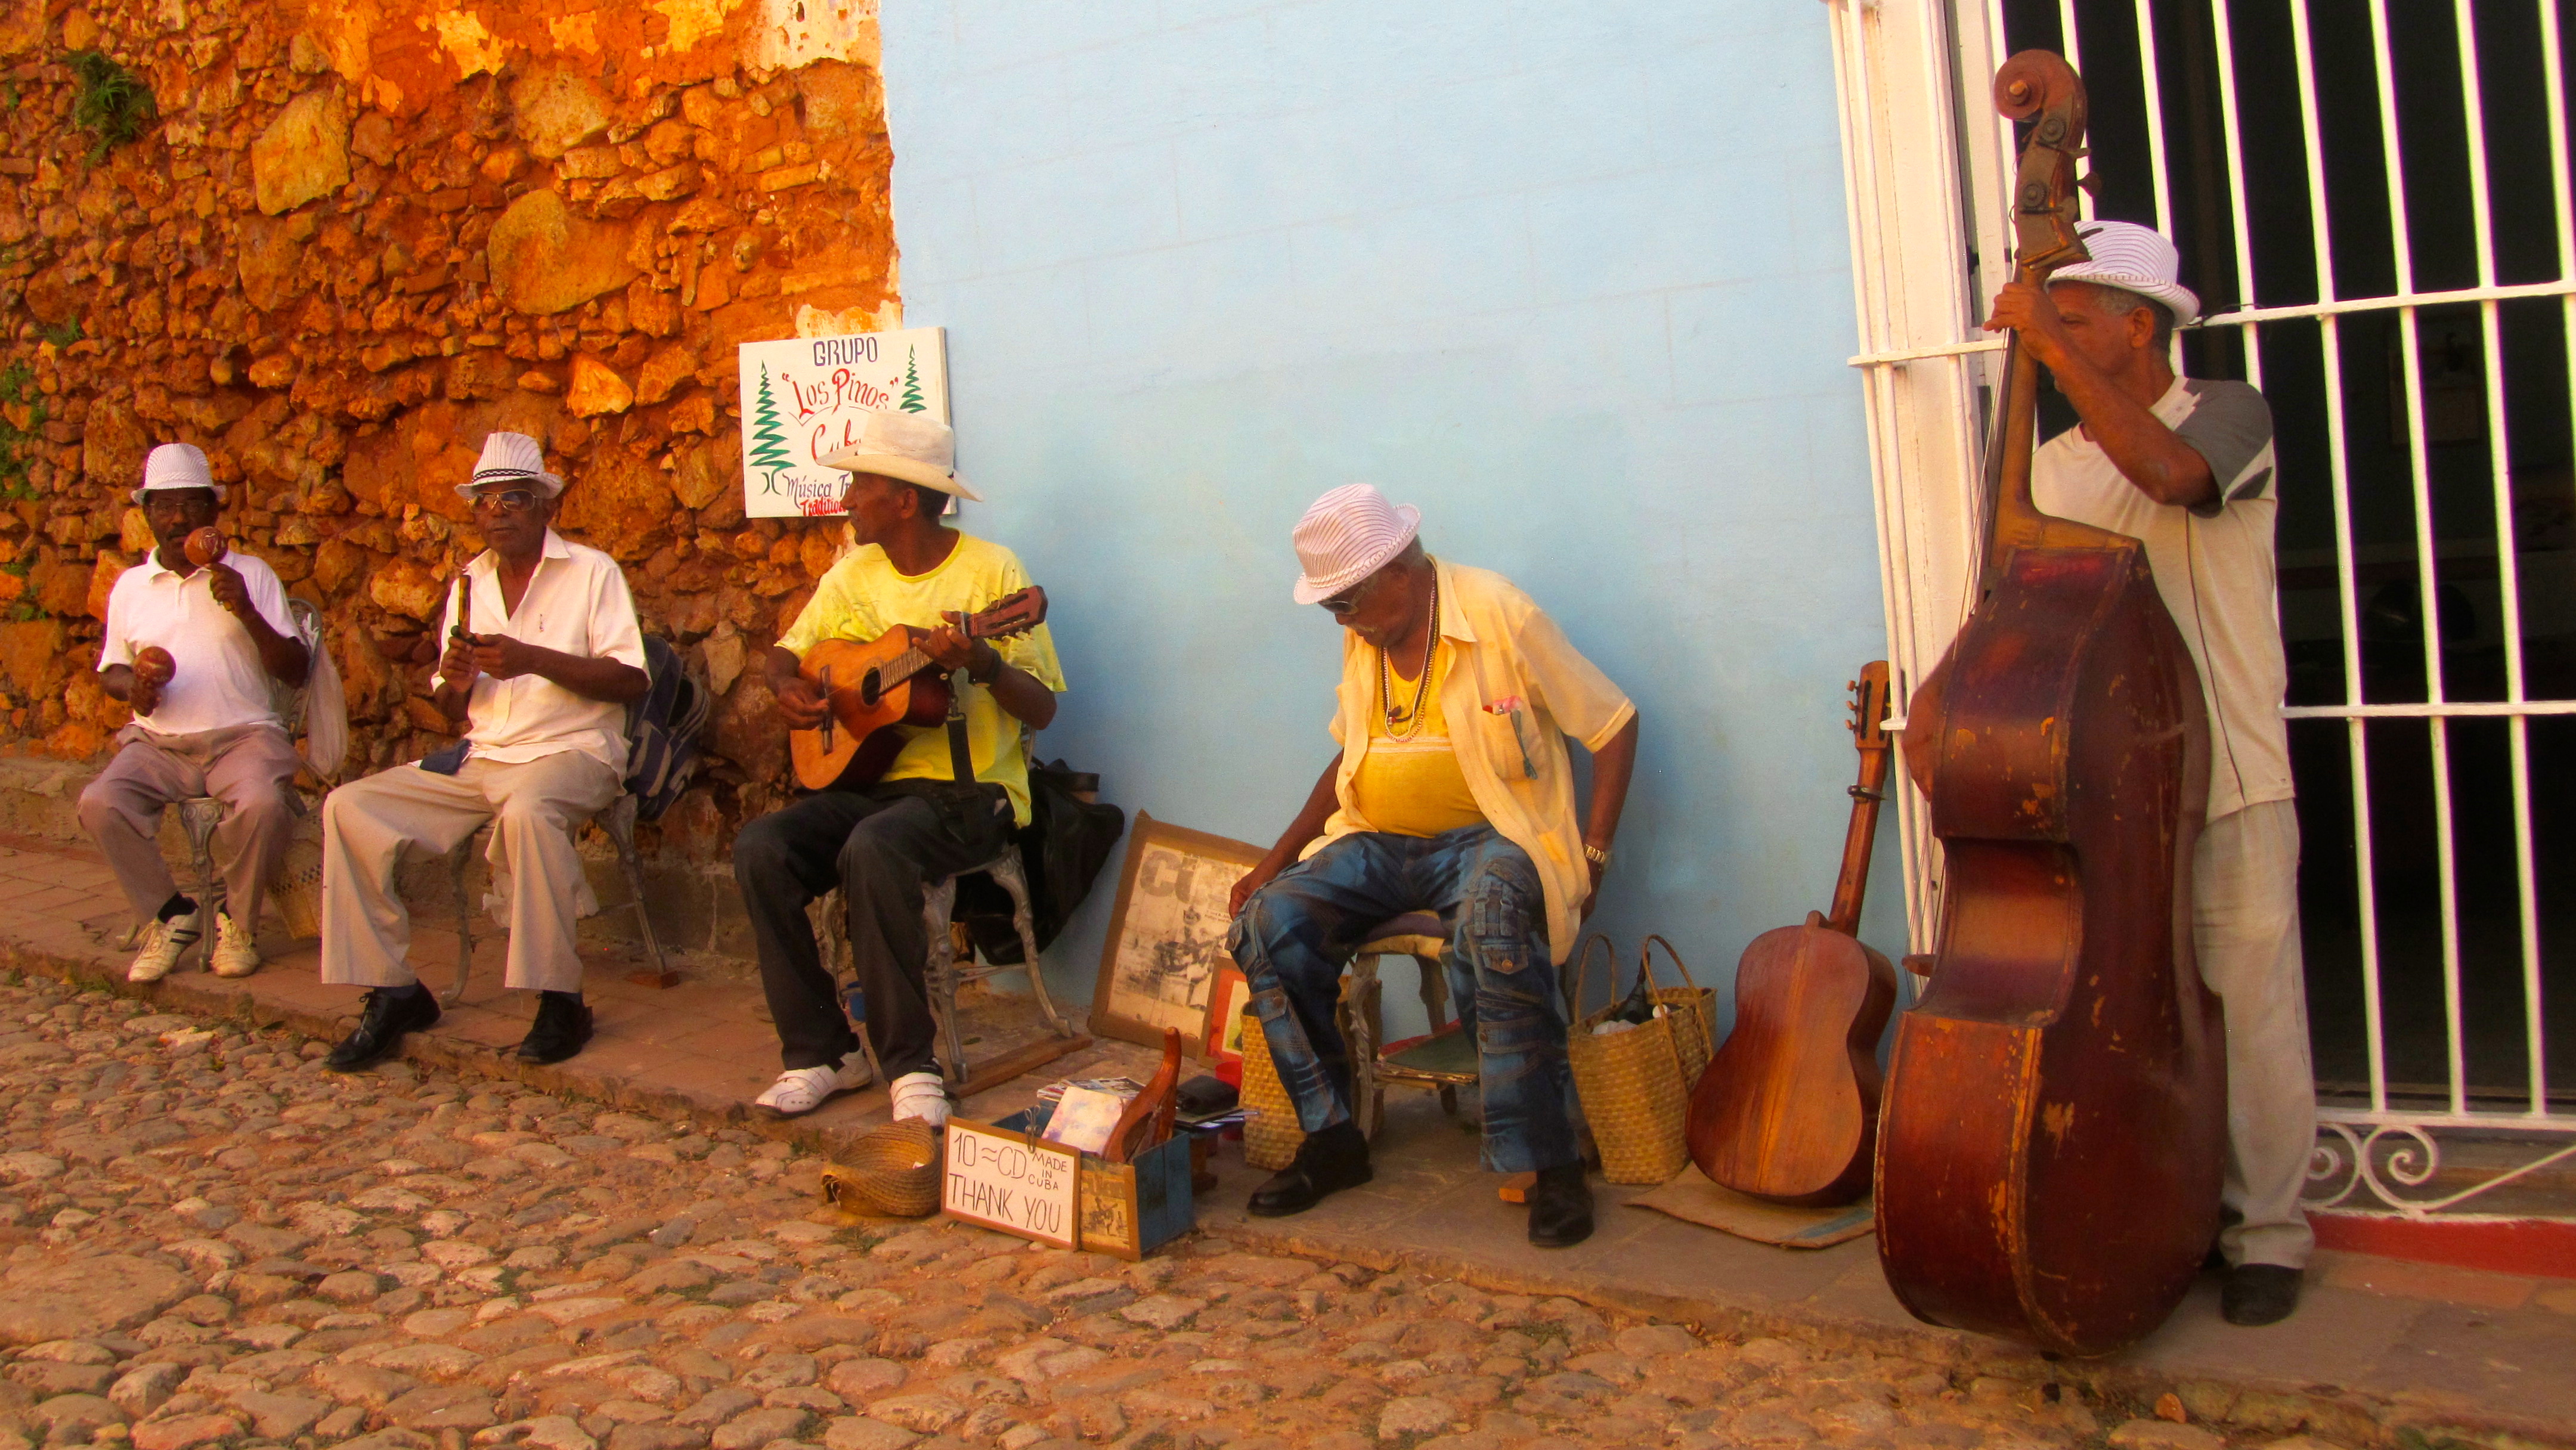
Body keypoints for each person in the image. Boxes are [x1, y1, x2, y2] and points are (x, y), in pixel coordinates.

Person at [1985, 219, 2311, 1328]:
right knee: (2125, 1017)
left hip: (2229, 771)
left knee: (2249, 1012)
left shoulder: (2228, 414)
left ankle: (2267, 1235)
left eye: (2072, 322)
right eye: (2047, 324)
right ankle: (2159, 1212)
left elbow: (2172, 478)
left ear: (2140, 327)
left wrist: (2043, 338)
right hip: (2104, 793)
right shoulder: (2049, 470)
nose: (2049, 343)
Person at [1225, 484, 1640, 1248]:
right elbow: (1350, 756)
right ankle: (1333, 1138)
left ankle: (1552, 1163)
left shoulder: (1498, 612)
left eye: (1345, 602)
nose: (1341, 621)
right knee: (1267, 922)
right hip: (1380, 842)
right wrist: (1274, 862)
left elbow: (1613, 724)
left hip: (1491, 835)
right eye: (1331, 608)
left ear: (1398, 569)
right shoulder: (1370, 632)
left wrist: (1594, 854)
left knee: (1493, 914)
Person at [733, 409, 1066, 1125]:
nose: (848, 499)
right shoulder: (852, 574)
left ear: (905, 498)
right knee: (762, 846)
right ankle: (823, 1052)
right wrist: (786, 686)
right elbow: (787, 654)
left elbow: (1042, 709)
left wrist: (983, 661)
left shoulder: (993, 572)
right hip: (874, 785)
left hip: (973, 792)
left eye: (860, 485)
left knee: (875, 845)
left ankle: (911, 1066)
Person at [316, 432, 649, 1071]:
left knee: (528, 810)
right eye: (485, 502)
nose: (497, 513)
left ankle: (560, 999)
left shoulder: (592, 572)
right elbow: (451, 707)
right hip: (486, 754)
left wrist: (533, 659)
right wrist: (456, 679)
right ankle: (393, 989)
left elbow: (631, 680)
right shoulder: (471, 581)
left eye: (513, 499)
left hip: (573, 750)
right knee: (349, 807)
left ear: (547, 507)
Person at [80, 443, 311, 982]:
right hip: (159, 744)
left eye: (191, 505)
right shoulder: (131, 586)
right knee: (100, 803)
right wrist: (135, 690)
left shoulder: (250, 574)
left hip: (243, 737)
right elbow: (112, 670)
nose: (178, 519)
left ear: (214, 511)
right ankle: (170, 915)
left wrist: (246, 610)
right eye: (164, 506)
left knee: (262, 805)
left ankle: (237, 921)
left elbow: (296, 670)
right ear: (147, 515)